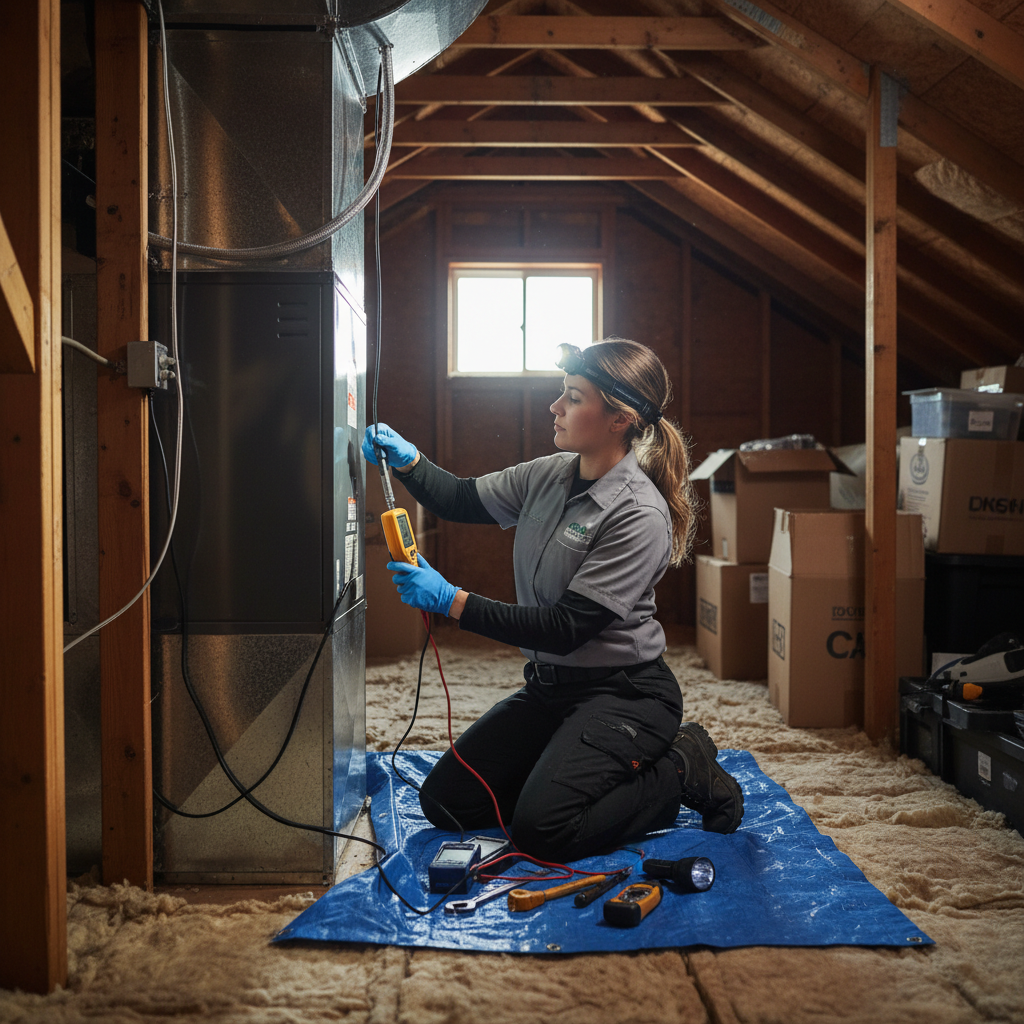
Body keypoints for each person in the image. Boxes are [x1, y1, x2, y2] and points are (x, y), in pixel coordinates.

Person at [362, 338, 743, 863]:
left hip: (624, 695)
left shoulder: (637, 513)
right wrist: (409, 462)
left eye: (572, 397)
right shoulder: (548, 474)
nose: (554, 407)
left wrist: (452, 601)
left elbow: (567, 628)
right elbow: (459, 498)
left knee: (546, 831)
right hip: (548, 690)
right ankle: (564, 778)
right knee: (447, 802)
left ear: (619, 419)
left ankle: (681, 766)